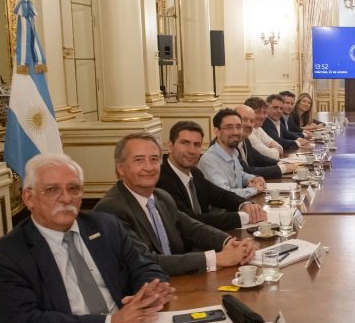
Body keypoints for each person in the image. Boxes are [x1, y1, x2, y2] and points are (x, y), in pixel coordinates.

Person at [0, 153, 175, 323]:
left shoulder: (105, 226)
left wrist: (151, 289)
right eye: (52, 190)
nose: (66, 198)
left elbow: (143, 265)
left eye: (73, 188)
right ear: (28, 197)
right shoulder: (5, 255)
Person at [95, 133, 256, 276]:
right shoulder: (111, 209)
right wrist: (217, 258)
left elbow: (193, 228)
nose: (149, 167)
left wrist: (230, 243)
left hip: (178, 282)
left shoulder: (161, 196)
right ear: (120, 168)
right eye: (139, 160)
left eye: (154, 159)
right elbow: (145, 260)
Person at [157, 120, 267, 231]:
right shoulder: (161, 180)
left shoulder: (194, 172)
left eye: (197, 145)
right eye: (185, 143)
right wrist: (243, 217)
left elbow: (218, 194)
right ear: (170, 146)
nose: (191, 150)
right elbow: (190, 220)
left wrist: (244, 204)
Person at [198, 108, 267, 198]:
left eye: (238, 127)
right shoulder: (209, 160)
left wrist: (254, 178)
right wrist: (255, 189)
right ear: (217, 131)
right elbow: (225, 194)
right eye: (229, 127)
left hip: (238, 207)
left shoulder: (233, 152)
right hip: (223, 211)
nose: (235, 132)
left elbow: (240, 175)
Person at [234, 104, 296, 179]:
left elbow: (259, 158)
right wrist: (283, 168)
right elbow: (248, 171)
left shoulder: (245, 140)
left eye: (252, 121)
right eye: (244, 119)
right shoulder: (231, 143)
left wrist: (282, 163)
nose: (249, 124)